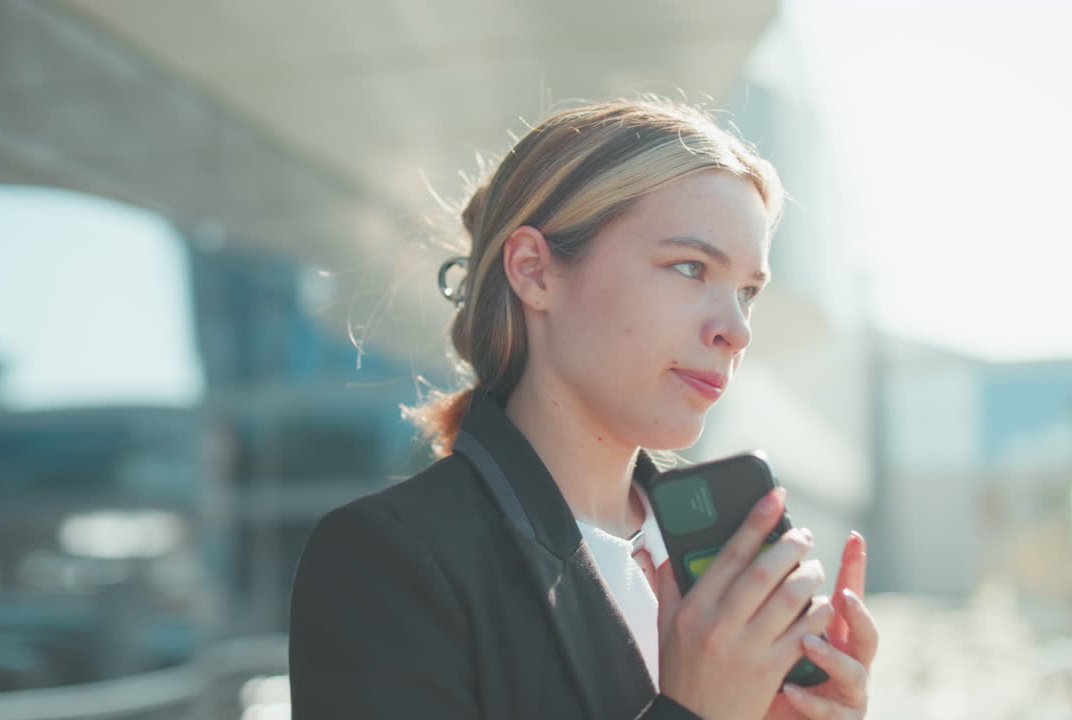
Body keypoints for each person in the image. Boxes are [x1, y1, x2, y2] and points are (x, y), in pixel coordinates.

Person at [288, 98, 878, 719]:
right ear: (534, 272)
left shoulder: (721, 572)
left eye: (748, 292)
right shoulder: (387, 561)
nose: (737, 329)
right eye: (690, 267)